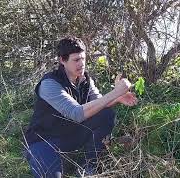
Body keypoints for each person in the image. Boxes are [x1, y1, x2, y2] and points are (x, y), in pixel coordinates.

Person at [24, 36, 138, 177]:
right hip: (44, 141)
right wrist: (115, 92)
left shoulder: (85, 81)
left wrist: (118, 97)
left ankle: (88, 166)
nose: (82, 64)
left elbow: (100, 103)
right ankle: (47, 159)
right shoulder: (49, 84)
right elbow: (76, 113)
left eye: (83, 59)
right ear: (62, 61)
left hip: (69, 136)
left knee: (106, 114)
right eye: (76, 60)